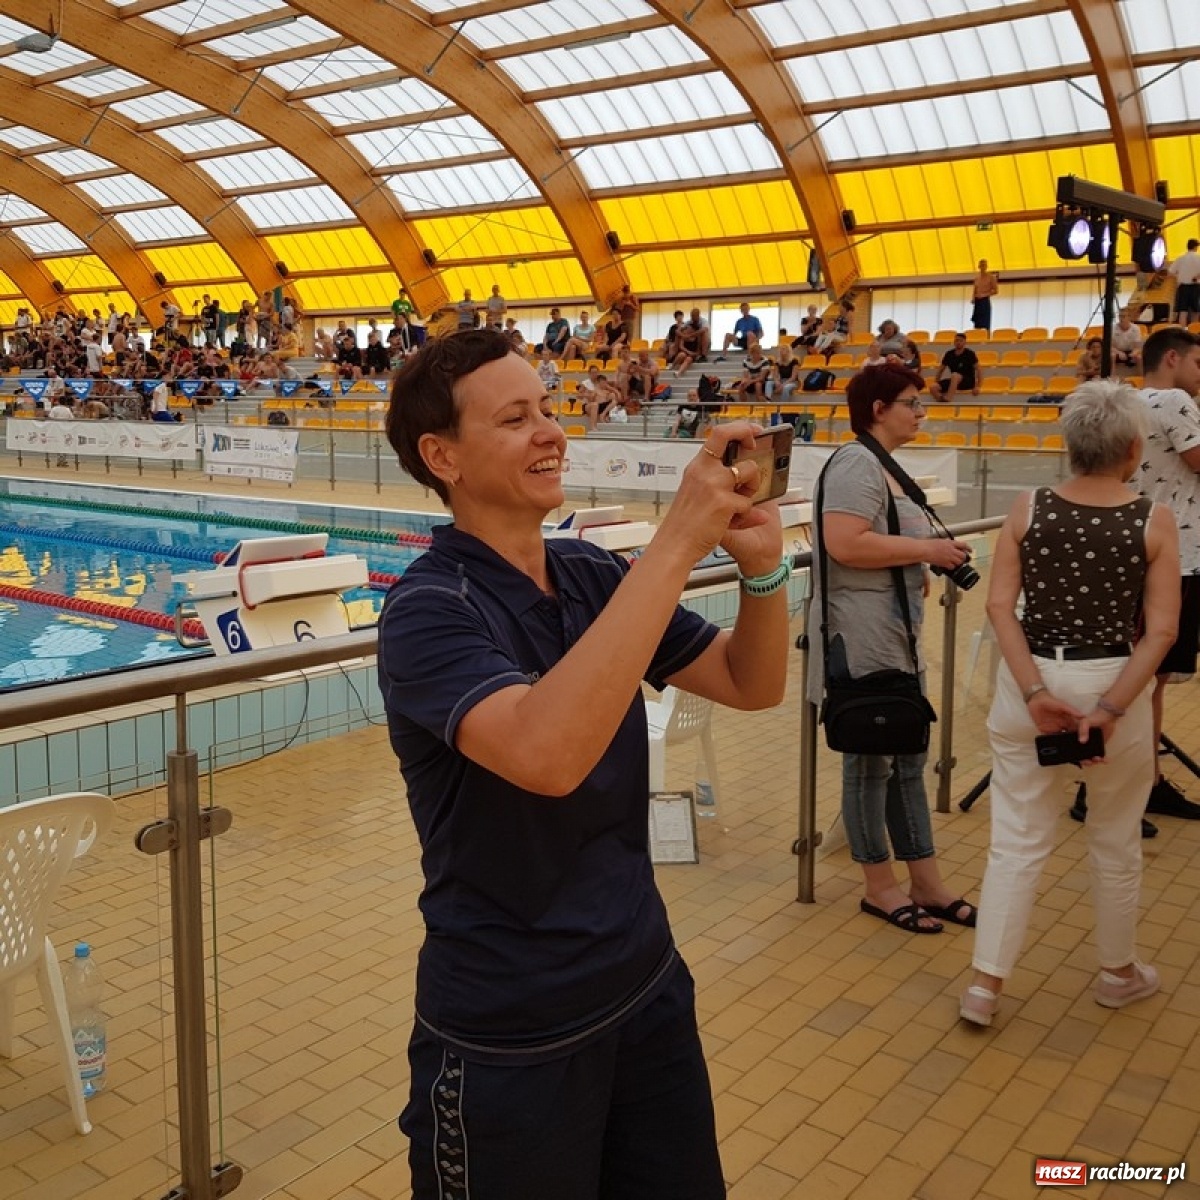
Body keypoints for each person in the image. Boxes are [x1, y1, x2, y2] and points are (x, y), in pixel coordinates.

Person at [378, 326, 788, 1199]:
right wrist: (678, 539)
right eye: (516, 418)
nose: (551, 432)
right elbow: (547, 756)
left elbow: (749, 684)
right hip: (508, 1035)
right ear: (440, 455)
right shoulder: (427, 611)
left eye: (551, 410)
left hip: (643, 987)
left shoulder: (591, 572)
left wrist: (762, 575)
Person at [960, 381, 1180, 1027]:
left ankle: (984, 987)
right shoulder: (1152, 519)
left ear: (1071, 444)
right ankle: (1117, 974)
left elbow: (1001, 606)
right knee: (1114, 836)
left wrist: (1034, 692)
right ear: (1134, 448)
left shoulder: (1027, 508)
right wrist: (1109, 709)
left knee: (1018, 838)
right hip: (1112, 679)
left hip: (1030, 682)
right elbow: (1161, 631)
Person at [811, 363, 977, 934]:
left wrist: (917, 555)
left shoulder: (882, 465)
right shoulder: (858, 463)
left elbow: (877, 541)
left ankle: (926, 880)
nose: (921, 412)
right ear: (879, 408)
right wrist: (924, 551)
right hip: (862, 637)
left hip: (894, 636)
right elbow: (844, 543)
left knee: (908, 756)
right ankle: (879, 886)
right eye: (912, 402)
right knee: (870, 763)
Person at [1120, 327, 1200, 823]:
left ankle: (1145, 780)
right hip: (1178, 558)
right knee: (1147, 679)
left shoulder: (1130, 403)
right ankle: (1115, 784)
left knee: (1150, 678)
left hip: (1145, 552)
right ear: (1171, 358)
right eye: (1197, 362)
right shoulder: (1172, 399)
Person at [929, 332, 982, 402]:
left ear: (965, 342)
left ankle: (948, 398)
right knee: (933, 387)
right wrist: (937, 382)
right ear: (954, 342)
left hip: (967, 381)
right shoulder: (949, 354)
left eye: (961, 340)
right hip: (954, 381)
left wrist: (978, 387)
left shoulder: (970, 354)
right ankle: (942, 402)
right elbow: (940, 370)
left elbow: (979, 370)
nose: (958, 342)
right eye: (956, 340)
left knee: (954, 375)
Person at [1169, 238, 1200, 326]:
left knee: (1183, 311)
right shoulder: (1198, 258)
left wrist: (1179, 276)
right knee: (1196, 311)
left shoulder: (1180, 258)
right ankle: (1194, 332)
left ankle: (1182, 332)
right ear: (1195, 247)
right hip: (1196, 287)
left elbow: (1170, 272)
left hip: (1183, 287)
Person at [971, 259, 999, 332]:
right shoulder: (976, 278)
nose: (983, 267)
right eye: (981, 265)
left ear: (986, 266)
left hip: (985, 301)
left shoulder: (991, 277)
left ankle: (986, 338)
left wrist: (984, 294)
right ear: (979, 266)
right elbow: (975, 290)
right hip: (977, 302)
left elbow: (996, 291)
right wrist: (973, 298)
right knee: (977, 324)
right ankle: (976, 337)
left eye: (984, 265)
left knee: (985, 323)